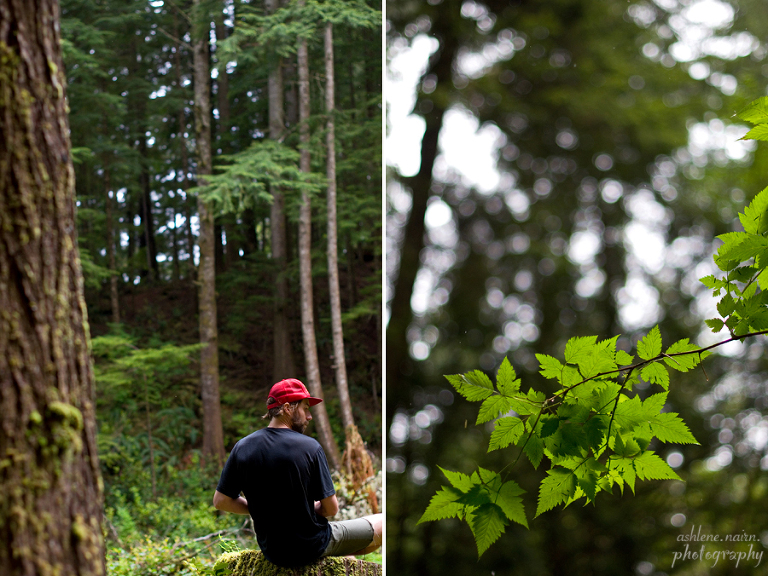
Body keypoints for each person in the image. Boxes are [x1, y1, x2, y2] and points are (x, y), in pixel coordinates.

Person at [213, 378, 383, 568]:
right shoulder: (310, 447)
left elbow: (221, 501)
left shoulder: (242, 447)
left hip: (272, 551)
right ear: (287, 408)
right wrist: (308, 508)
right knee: (383, 523)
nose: (309, 416)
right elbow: (331, 509)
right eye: (305, 408)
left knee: (350, 551)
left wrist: (260, 509)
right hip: (311, 545)